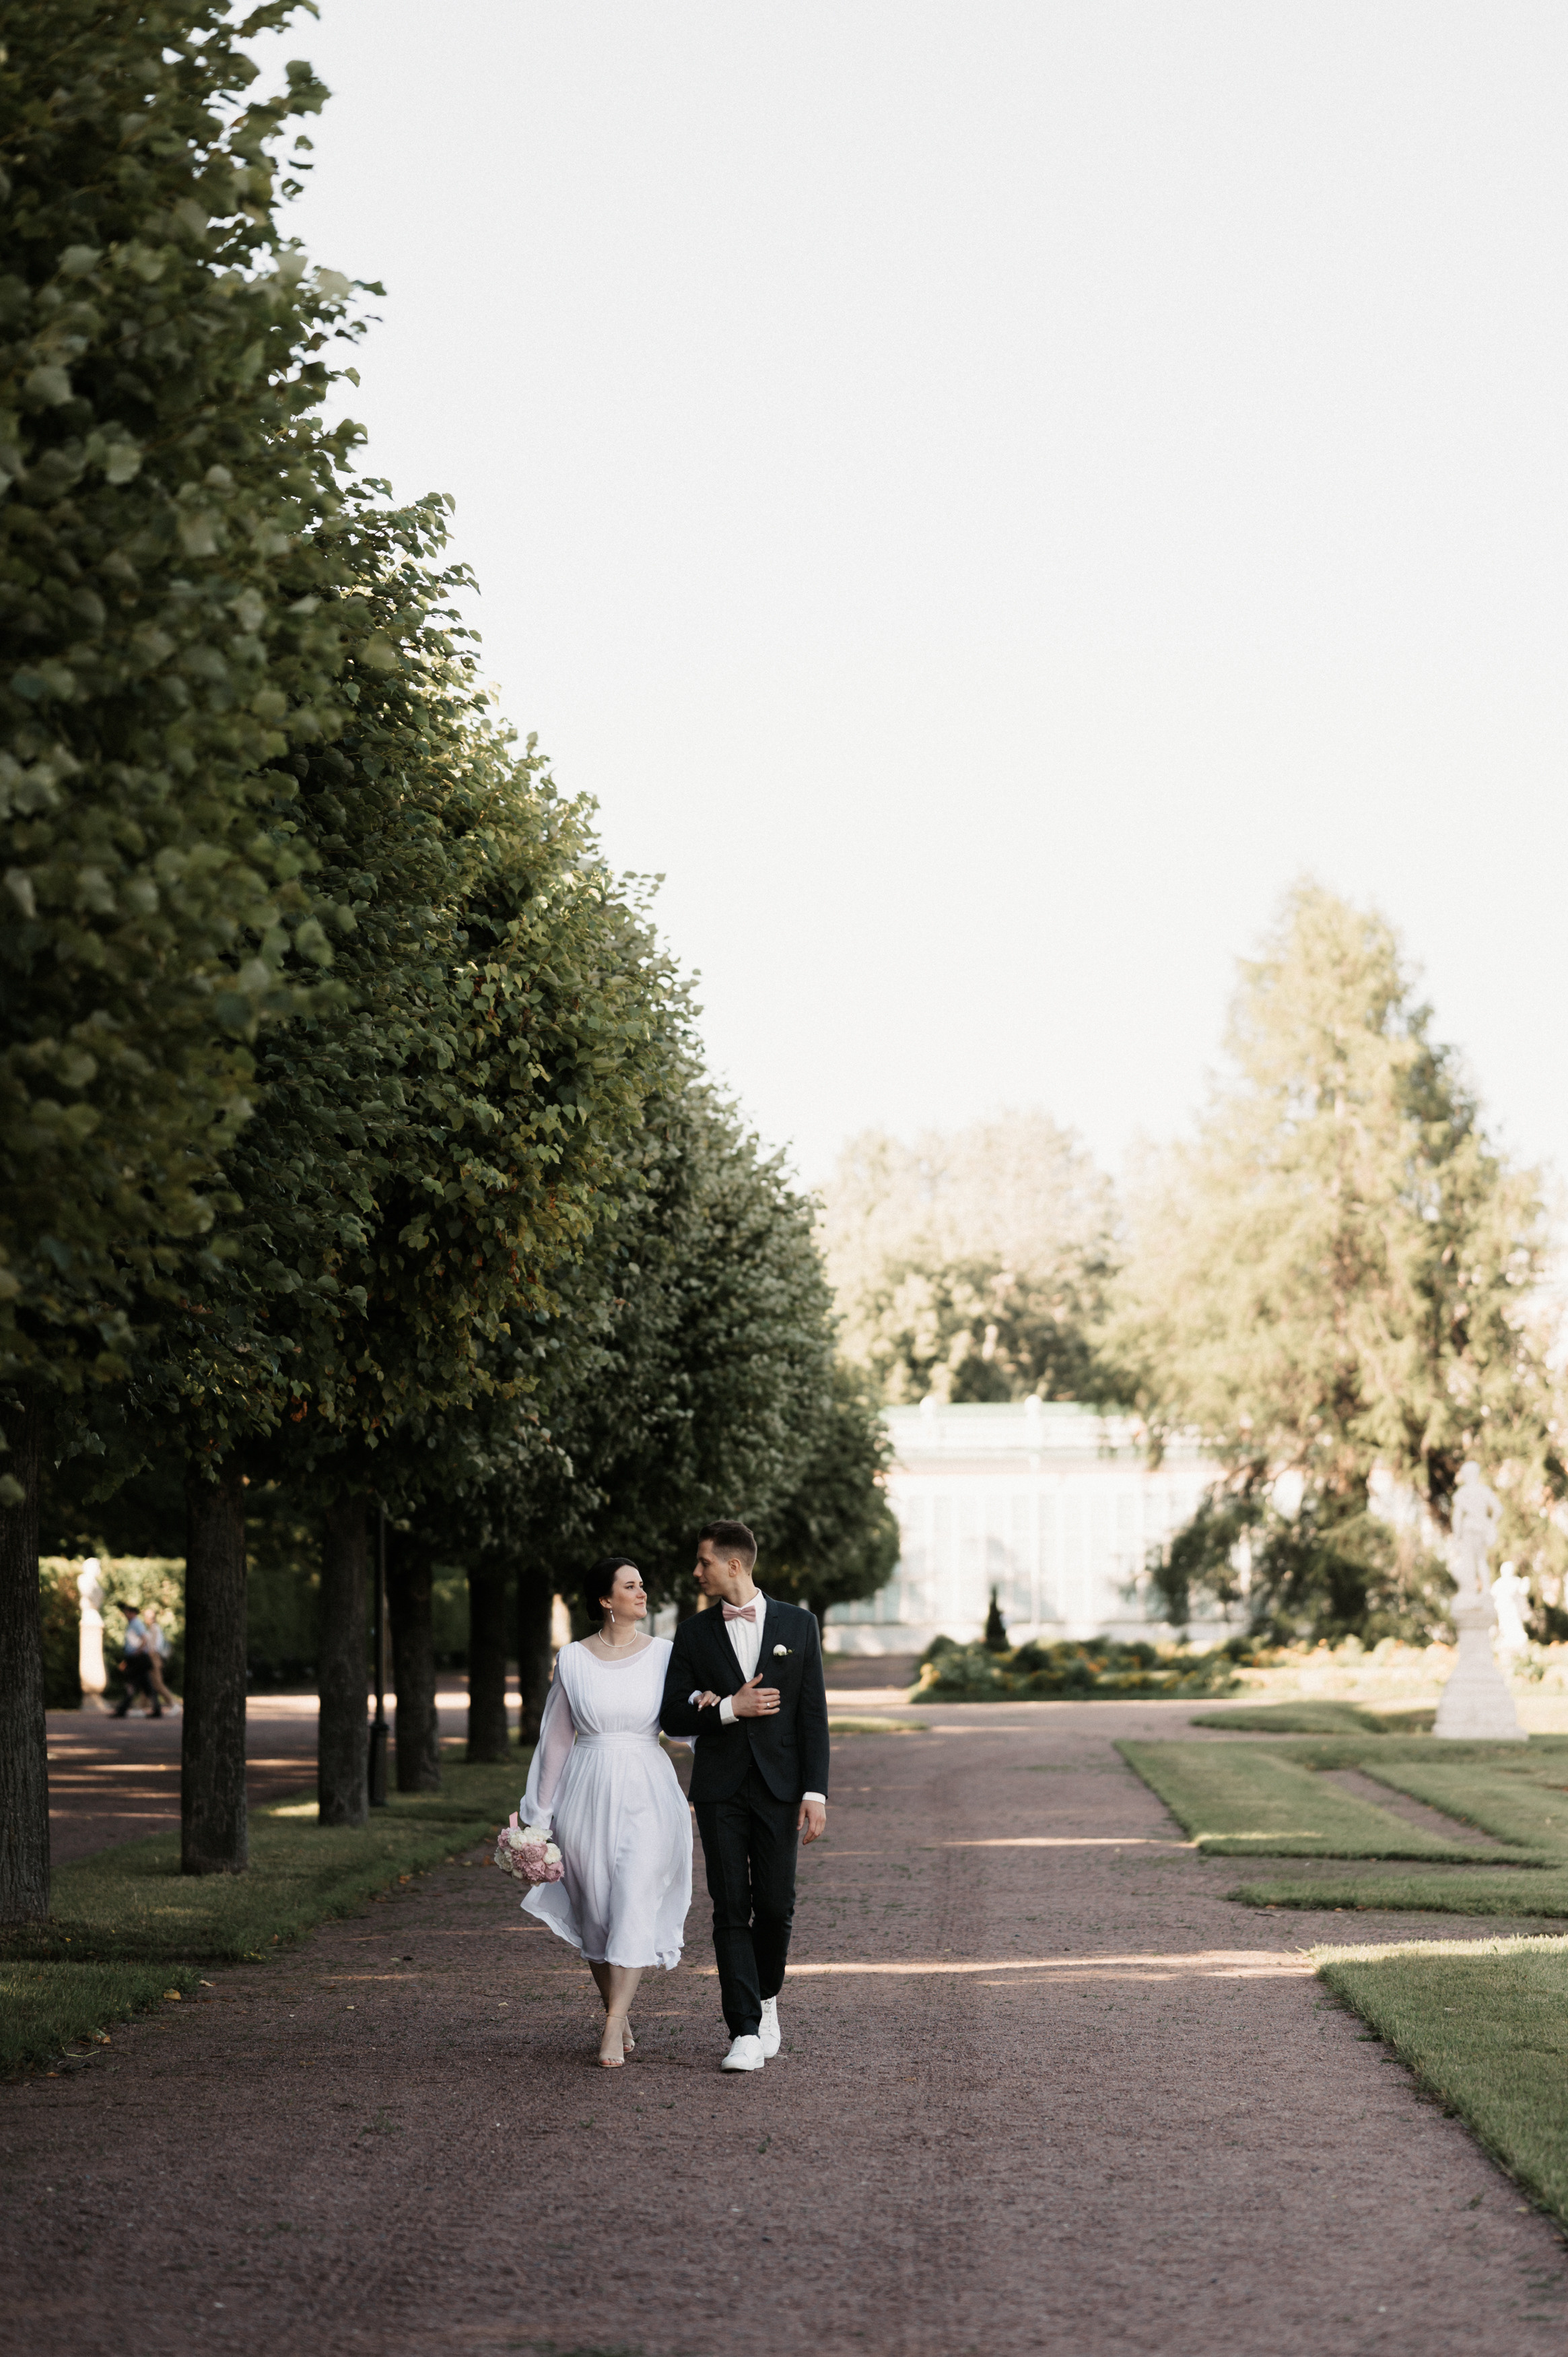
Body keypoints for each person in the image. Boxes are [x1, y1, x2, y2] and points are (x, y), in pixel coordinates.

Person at [658, 1519, 829, 2073]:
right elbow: (672, 1715)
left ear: (733, 1564)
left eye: (703, 1561)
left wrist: (814, 1792)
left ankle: (766, 1997)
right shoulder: (692, 1633)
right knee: (730, 1906)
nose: (696, 1571)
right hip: (719, 1789)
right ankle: (744, 2031)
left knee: (775, 1906)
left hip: (781, 1788)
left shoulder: (799, 1624)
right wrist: (731, 1708)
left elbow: (812, 1714)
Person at [518, 1556, 693, 2067]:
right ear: (605, 1600)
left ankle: (613, 2024)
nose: (642, 1593)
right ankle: (617, 2008)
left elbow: (680, 1727)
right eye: (630, 1586)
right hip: (586, 1792)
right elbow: (555, 1741)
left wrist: (709, 1705)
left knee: (635, 1898)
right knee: (596, 1915)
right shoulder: (573, 1660)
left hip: (648, 1790)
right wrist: (538, 1818)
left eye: (642, 1585)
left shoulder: (665, 1654)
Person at [112, 1605, 161, 1719]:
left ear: (132, 1613)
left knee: (132, 1683)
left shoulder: (136, 1624)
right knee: (144, 1684)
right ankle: (156, 1708)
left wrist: (137, 1652)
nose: (126, 1615)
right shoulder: (133, 1624)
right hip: (136, 1659)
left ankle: (123, 1709)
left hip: (138, 1659)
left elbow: (144, 1639)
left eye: (127, 1613)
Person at [140, 1603, 178, 1713]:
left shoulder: (154, 1628)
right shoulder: (152, 1628)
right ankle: (141, 1707)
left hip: (154, 1658)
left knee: (157, 1683)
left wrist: (150, 1654)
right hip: (152, 1657)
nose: (145, 1619)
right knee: (147, 1682)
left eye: (146, 1616)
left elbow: (154, 1646)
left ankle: (173, 1704)